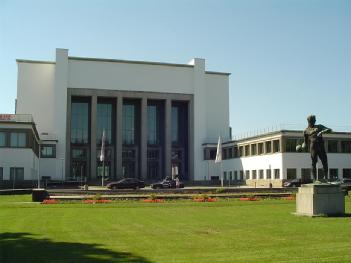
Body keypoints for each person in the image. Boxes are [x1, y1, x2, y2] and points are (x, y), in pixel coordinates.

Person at [300, 115, 332, 181]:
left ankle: (326, 177)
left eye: (314, 120)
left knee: (324, 161)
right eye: (313, 120)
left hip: (321, 146)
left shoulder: (319, 126)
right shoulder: (306, 130)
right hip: (313, 147)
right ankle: (314, 179)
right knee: (313, 162)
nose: (314, 121)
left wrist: (324, 131)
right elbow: (305, 142)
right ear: (309, 121)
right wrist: (302, 147)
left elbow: (329, 130)